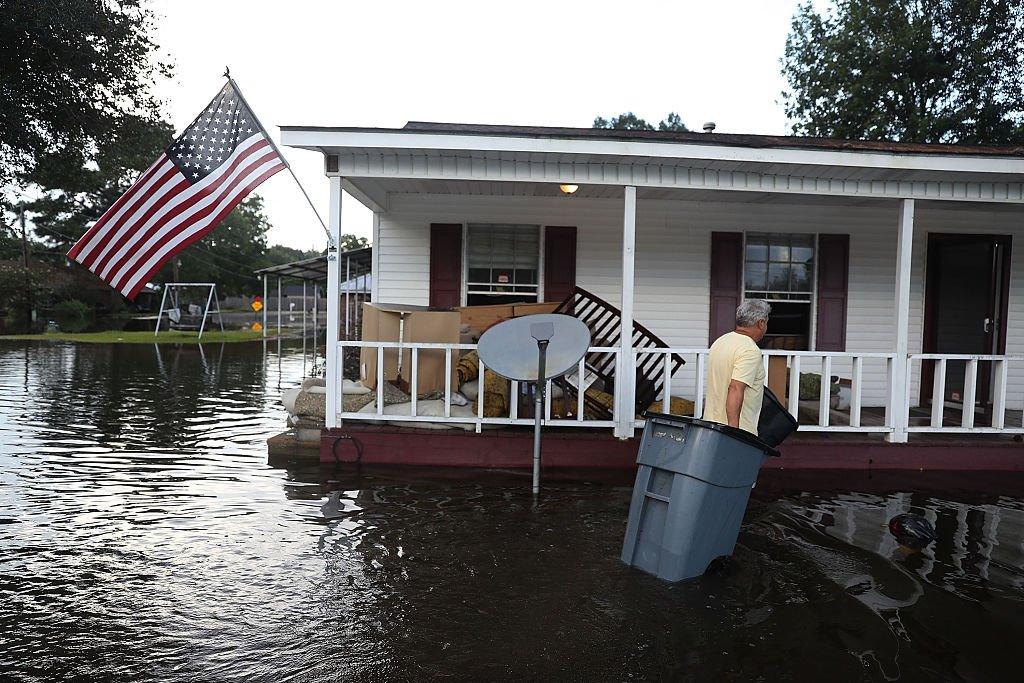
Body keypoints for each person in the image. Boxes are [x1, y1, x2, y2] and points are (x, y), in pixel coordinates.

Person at [703, 299, 771, 435]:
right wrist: (734, 432)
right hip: (737, 430)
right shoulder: (749, 350)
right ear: (761, 323)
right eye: (766, 322)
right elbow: (735, 388)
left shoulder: (720, 342)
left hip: (711, 427)